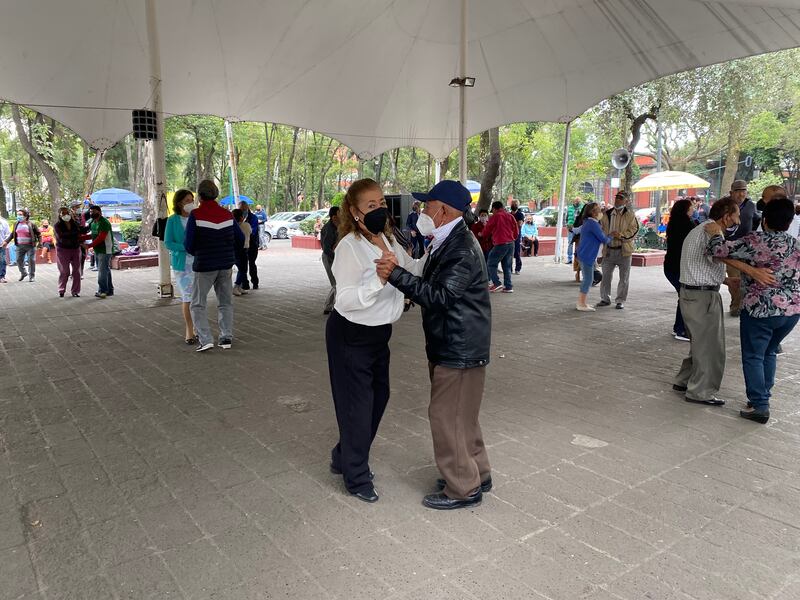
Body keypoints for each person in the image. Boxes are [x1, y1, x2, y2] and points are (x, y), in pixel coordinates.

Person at [375, 180, 491, 510]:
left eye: (428, 206)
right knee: (462, 416)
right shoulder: (448, 239)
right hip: (457, 343)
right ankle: (477, 472)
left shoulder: (460, 248)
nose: (423, 211)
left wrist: (395, 274)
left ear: (443, 210)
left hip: (459, 347)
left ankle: (462, 487)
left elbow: (440, 297)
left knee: (446, 416)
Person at [325, 178, 422, 503]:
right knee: (358, 406)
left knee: (379, 398)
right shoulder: (349, 248)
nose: (380, 209)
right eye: (371, 206)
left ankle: (344, 454)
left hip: (380, 333)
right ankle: (355, 475)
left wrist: (435, 251)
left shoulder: (388, 238)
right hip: (351, 333)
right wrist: (378, 281)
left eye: (381, 203)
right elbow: (346, 300)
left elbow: (410, 270)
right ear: (354, 212)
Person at [673, 197, 773, 407]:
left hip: (693, 293)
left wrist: (725, 280)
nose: (739, 220)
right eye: (736, 215)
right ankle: (700, 392)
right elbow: (722, 254)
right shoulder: (712, 231)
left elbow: (704, 262)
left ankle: (684, 381)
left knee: (701, 343)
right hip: (702, 297)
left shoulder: (701, 229)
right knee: (711, 347)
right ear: (726, 216)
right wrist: (753, 271)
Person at [707, 197, 800, 424]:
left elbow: (718, 250)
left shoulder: (756, 240)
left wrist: (715, 232)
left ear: (764, 220)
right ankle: (762, 397)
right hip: (791, 312)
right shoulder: (795, 244)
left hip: (760, 311)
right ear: (789, 223)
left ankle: (760, 405)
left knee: (754, 355)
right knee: (768, 352)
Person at [184, 180, 243, 352]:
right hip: (225, 264)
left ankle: (205, 339)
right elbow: (239, 239)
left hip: (204, 265)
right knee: (225, 302)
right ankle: (226, 338)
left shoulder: (196, 215)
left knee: (197, 304)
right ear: (216, 194)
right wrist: (227, 250)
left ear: (200, 196)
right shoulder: (227, 215)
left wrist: (201, 251)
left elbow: (189, 244)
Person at [164, 189, 197, 344]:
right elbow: (168, 243)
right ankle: (189, 331)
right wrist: (186, 247)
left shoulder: (196, 219)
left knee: (198, 298)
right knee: (188, 297)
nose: (190, 203)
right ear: (179, 203)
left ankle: (198, 328)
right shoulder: (173, 220)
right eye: (187, 201)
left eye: (192, 200)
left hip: (199, 264)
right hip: (182, 265)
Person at [597, 191, 639, 309]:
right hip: (609, 250)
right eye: (617, 198)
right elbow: (600, 228)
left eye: (621, 198)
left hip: (624, 250)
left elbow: (634, 230)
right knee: (606, 276)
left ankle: (620, 300)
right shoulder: (607, 213)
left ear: (626, 201)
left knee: (624, 278)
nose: (617, 200)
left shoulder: (630, 215)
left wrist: (620, 235)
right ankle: (605, 298)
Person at [724, 180, 758, 317]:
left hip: (748, 249)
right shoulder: (724, 205)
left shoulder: (751, 205)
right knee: (734, 279)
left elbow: (756, 219)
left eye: (744, 190)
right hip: (730, 249)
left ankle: (744, 305)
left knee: (747, 280)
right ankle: (736, 305)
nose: (741, 194)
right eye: (738, 191)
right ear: (731, 192)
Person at [663, 199, 696, 341]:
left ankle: (679, 327)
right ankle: (681, 329)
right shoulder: (688, 225)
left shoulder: (672, 223)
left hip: (671, 265)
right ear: (685, 210)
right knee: (685, 296)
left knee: (683, 295)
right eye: (691, 208)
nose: (693, 210)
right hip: (679, 266)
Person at [573, 203, 611, 311]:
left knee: (588, 279)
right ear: (592, 212)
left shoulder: (588, 222)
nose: (600, 211)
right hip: (587, 254)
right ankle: (581, 303)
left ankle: (582, 302)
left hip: (585, 253)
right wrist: (612, 236)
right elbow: (603, 239)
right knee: (588, 280)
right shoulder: (593, 224)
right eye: (598, 210)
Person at [483, 200, 518, 293]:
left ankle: (496, 283)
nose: (492, 212)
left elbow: (487, 229)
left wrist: (481, 235)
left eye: (492, 210)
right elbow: (516, 230)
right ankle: (508, 286)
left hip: (500, 243)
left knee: (491, 263)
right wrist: (512, 238)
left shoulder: (495, 216)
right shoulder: (510, 216)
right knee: (507, 266)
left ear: (494, 208)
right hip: (511, 243)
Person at [2, 209, 41, 282]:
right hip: (19, 246)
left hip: (30, 246)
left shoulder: (31, 224)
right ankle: (23, 273)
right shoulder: (16, 224)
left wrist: (40, 243)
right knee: (18, 260)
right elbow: (12, 234)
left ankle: (31, 276)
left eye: (20, 214)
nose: (18, 216)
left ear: (25, 216)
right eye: (18, 214)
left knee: (31, 260)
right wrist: (6, 241)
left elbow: (39, 234)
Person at [85, 205, 114, 298]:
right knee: (105, 269)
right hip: (98, 249)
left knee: (102, 271)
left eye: (93, 211)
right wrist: (80, 238)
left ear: (99, 212)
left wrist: (89, 246)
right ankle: (109, 290)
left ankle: (102, 290)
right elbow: (93, 235)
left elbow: (101, 237)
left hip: (105, 249)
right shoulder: (93, 222)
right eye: (90, 212)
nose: (91, 213)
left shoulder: (104, 222)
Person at [53, 206, 82, 297]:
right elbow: (61, 236)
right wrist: (74, 234)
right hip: (63, 249)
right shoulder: (57, 225)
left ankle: (75, 291)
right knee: (65, 271)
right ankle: (61, 290)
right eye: (63, 213)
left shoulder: (75, 224)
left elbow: (80, 232)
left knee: (76, 271)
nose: (66, 215)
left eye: (67, 213)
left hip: (75, 248)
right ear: (60, 215)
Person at [320, 206, 340, 315]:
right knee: (336, 283)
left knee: (336, 283)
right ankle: (337, 308)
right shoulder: (329, 229)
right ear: (334, 217)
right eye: (340, 214)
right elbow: (326, 248)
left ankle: (328, 306)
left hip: (335, 257)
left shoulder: (339, 226)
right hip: (329, 258)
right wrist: (336, 258)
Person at [238, 201, 260, 290]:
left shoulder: (253, 218)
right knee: (242, 266)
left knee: (251, 264)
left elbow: (253, 231)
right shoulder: (237, 218)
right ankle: (244, 284)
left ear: (247, 208)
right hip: (241, 246)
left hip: (252, 245)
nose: (243, 210)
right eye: (241, 209)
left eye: (244, 209)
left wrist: (244, 230)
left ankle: (255, 282)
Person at [231, 208, 251, 297]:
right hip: (243, 250)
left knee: (239, 268)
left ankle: (239, 287)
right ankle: (236, 286)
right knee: (243, 269)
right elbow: (251, 232)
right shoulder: (246, 225)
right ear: (242, 217)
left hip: (232, 250)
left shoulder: (230, 226)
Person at [566, 197, 584, 264]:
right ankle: (569, 258)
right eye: (576, 201)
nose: (577, 202)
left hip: (579, 228)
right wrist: (567, 225)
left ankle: (578, 259)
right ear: (573, 201)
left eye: (578, 201)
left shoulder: (582, 208)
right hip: (570, 228)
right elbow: (566, 217)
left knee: (579, 244)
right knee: (570, 243)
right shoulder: (570, 208)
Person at [509, 201, 525, 274]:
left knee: (517, 252)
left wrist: (512, 225)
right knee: (509, 253)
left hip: (517, 236)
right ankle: (510, 269)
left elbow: (520, 224)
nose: (514, 205)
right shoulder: (508, 214)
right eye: (513, 204)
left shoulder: (520, 214)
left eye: (515, 204)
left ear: (518, 206)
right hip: (509, 236)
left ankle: (517, 268)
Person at [0, 215, 9, 283]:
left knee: (2, 261)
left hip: (1, 245)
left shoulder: (4, 222)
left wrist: (5, 242)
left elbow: (8, 234)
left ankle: (2, 276)